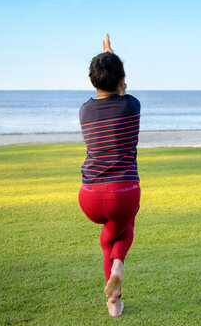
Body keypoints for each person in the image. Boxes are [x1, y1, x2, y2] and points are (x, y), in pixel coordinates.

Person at [78, 34, 141, 317]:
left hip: (89, 196)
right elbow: (123, 91)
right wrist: (117, 65)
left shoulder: (84, 110)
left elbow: (108, 87)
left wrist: (110, 66)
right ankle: (115, 278)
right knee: (122, 226)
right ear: (122, 80)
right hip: (124, 194)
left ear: (92, 82)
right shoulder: (131, 106)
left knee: (108, 236)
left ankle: (114, 301)